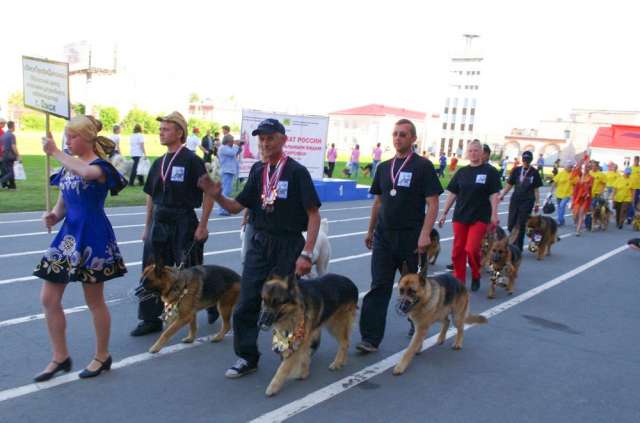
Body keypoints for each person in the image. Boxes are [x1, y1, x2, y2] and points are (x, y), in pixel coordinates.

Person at [197, 118, 321, 378]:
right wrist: (215, 194)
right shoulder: (257, 171)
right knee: (246, 302)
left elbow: (313, 215)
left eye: (270, 138)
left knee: (287, 302)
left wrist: (307, 253)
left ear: (283, 140)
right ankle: (246, 357)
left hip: (288, 244)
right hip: (259, 243)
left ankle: (298, 347)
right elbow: (234, 207)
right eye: (261, 138)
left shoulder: (297, 172)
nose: (264, 143)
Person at [34, 115, 127, 381]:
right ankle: (60, 357)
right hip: (68, 235)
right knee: (48, 298)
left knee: (94, 300)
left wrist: (54, 152)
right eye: (66, 136)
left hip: (93, 234)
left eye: (72, 136)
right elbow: (63, 204)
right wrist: (53, 215)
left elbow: (86, 173)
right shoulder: (66, 167)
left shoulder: (100, 166)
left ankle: (102, 355)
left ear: (86, 138)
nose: (67, 141)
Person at [356, 119, 442, 353]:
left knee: (415, 289)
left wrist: (425, 234)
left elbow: (433, 203)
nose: (398, 138)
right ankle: (370, 339)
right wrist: (370, 229)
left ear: (413, 139)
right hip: (384, 237)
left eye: (403, 134)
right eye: (395, 134)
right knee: (378, 287)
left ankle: (418, 326)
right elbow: (378, 201)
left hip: (411, 239)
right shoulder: (384, 167)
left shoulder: (423, 166)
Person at [130, 111, 216, 336]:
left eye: (166, 129)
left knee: (189, 269)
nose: (161, 132)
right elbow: (150, 196)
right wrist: (147, 227)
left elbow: (208, 192)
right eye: (160, 129)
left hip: (184, 220)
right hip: (160, 220)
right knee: (152, 269)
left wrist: (203, 225)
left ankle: (210, 302)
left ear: (179, 132)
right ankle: (150, 318)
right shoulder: (158, 162)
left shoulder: (192, 161)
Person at [438, 140, 501, 291]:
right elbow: (453, 193)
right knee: (458, 250)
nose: (473, 153)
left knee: (471, 249)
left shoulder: (490, 172)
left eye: (476, 150)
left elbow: (494, 194)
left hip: (479, 216)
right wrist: (444, 212)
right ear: (467, 153)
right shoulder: (462, 172)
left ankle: (476, 273)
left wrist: (494, 213)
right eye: (470, 151)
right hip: (460, 216)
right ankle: (459, 281)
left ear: (482, 152)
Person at [499, 151, 542, 251]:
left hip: (527, 201)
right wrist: (502, 194)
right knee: (511, 224)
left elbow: (536, 189)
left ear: (530, 160)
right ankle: (515, 243)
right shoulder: (516, 171)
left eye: (528, 160)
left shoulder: (534, 173)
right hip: (515, 200)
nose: (526, 162)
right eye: (524, 160)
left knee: (520, 224)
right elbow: (509, 184)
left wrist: (537, 203)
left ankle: (517, 247)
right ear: (522, 159)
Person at [217, 135, 240, 216]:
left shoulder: (228, 148)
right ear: (228, 141)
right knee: (225, 192)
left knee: (227, 191)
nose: (233, 142)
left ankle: (223, 209)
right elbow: (233, 153)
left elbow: (235, 154)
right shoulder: (223, 148)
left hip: (229, 171)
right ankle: (222, 210)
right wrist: (237, 145)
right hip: (226, 171)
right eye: (232, 141)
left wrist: (238, 146)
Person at [571, 156, 593, 236]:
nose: (586, 168)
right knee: (575, 215)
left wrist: (586, 186)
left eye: (588, 167)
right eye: (585, 167)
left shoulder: (591, 177)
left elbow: (589, 186)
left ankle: (578, 230)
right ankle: (577, 223)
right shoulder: (579, 175)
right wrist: (582, 161)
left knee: (581, 213)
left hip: (585, 198)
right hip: (577, 197)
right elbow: (573, 176)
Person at [551, 161, 576, 226]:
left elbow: (576, 184)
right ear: (565, 167)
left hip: (567, 194)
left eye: (571, 167)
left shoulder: (573, 175)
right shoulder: (561, 173)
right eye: (568, 167)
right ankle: (561, 220)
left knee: (562, 206)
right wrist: (551, 192)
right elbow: (554, 182)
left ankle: (559, 220)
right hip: (559, 193)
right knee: (559, 207)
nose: (570, 168)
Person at [0, 121, 20, 190]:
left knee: (9, 171)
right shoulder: (12, 135)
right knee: (11, 173)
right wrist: (18, 155)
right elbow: (13, 146)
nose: (15, 127)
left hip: (4, 155)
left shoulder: (3, 135)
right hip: (10, 155)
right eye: (14, 126)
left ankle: (12, 186)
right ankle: (1, 181)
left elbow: (1, 147)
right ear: (12, 126)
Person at [627, 156, 640, 224]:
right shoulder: (630, 168)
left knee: (636, 203)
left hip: (638, 188)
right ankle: (629, 217)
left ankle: (632, 217)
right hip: (630, 188)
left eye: (637, 161)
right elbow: (626, 175)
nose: (636, 162)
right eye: (635, 160)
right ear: (633, 160)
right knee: (629, 202)